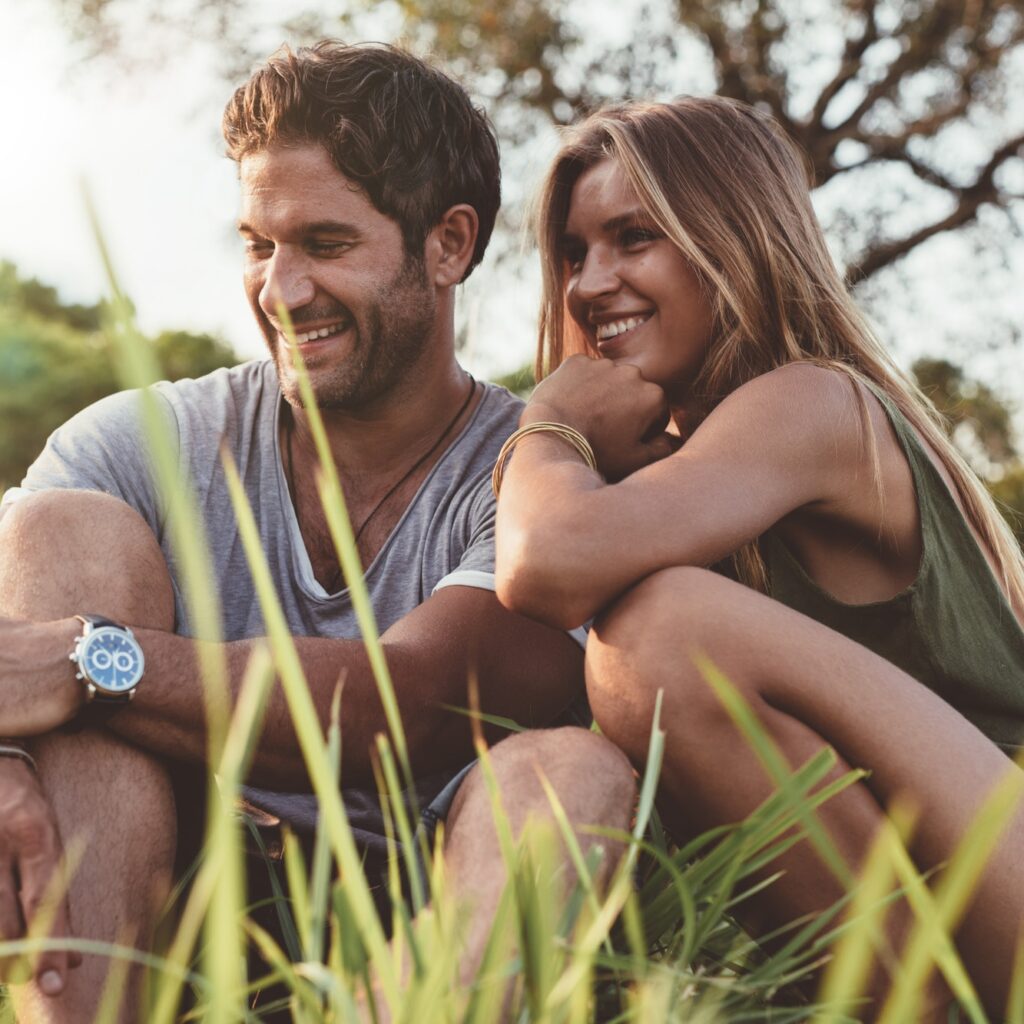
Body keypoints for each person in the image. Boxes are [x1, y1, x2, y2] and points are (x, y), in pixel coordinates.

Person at [0, 43, 635, 1022]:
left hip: (430, 909)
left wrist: (94, 660)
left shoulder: (539, 475)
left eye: (326, 245)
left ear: (449, 245)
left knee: (571, 776)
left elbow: (408, 707)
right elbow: (14, 662)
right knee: (57, 531)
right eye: (259, 245)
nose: (280, 291)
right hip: (178, 896)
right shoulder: (141, 443)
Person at [493, 97, 1024, 1019]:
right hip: (942, 890)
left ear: (732, 240)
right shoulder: (686, 476)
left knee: (658, 637)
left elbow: (544, 560)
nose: (588, 285)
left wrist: (548, 423)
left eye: (634, 237)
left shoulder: (814, 404)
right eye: (574, 254)